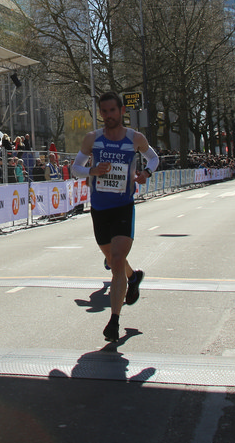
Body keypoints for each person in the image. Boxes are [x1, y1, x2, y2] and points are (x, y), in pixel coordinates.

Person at [70, 91, 159, 343]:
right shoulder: (92, 139)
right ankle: (134, 277)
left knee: (117, 260)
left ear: (121, 111)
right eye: (104, 111)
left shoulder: (135, 138)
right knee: (112, 259)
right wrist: (92, 170)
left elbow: (153, 158)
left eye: (112, 110)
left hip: (123, 206)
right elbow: (75, 169)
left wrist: (146, 174)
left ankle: (114, 321)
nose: (108, 115)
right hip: (99, 208)